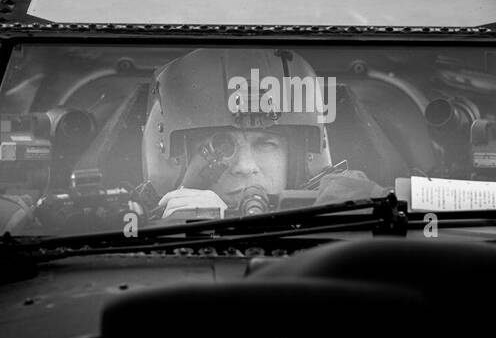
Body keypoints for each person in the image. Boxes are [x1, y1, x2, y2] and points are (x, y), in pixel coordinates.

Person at [141, 47, 387, 219]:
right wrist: (177, 224)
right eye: (222, 147)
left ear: (299, 157)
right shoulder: (135, 224)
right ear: (177, 159)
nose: (245, 167)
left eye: (266, 144)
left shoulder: (352, 208)